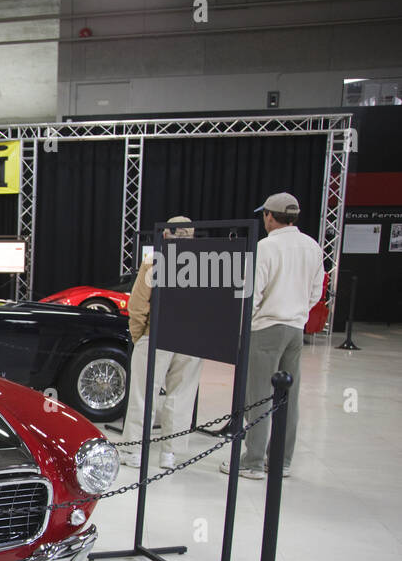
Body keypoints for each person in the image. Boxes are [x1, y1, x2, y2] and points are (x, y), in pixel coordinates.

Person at [222, 192, 323, 479]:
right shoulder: (312, 247)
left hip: (266, 328)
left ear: (269, 216)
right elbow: (316, 292)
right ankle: (280, 461)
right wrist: (297, 312)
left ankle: (252, 461)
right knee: (288, 396)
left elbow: (252, 294)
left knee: (259, 395)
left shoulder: (265, 248)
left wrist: (243, 327)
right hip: (295, 329)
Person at [117, 216, 203, 470]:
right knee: (181, 396)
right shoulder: (205, 263)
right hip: (192, 337)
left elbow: (138, 304)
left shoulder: (155, 260)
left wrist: (139, 336)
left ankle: (134, 450)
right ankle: (169, 454)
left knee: (143, 394)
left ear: (165, 234)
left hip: (156, 335)